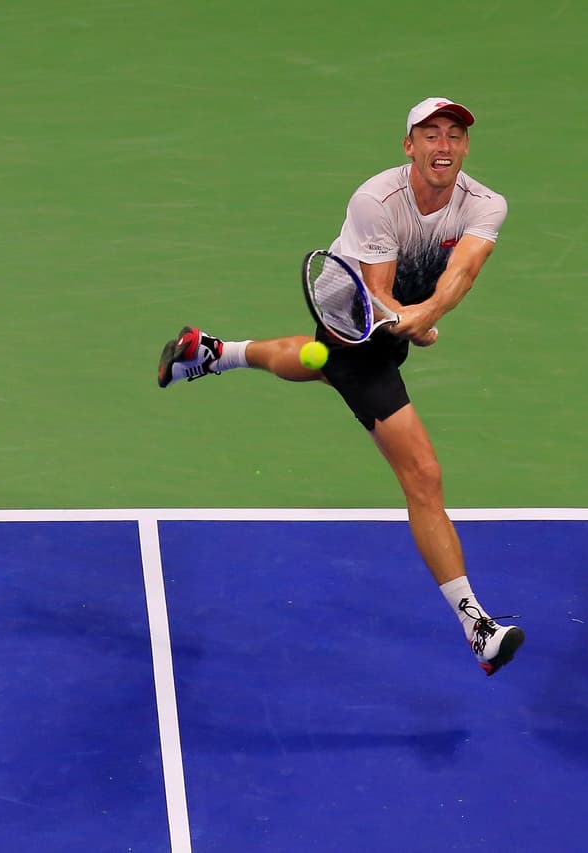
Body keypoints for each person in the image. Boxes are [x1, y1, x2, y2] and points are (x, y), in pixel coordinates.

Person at [157, 97, 524, 676]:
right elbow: (377, 291)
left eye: (454, 135)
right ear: (409, 146)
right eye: (430, 135)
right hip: (351, 305)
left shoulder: (486, 205)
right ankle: (477, 626)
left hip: (400, 310)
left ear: (467, 147)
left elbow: (462, 274)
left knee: (318, 363)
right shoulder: (376, 200)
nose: (444, 146)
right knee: (422, 475)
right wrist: (408, 319)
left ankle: (211, 352)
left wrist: (422, 317)